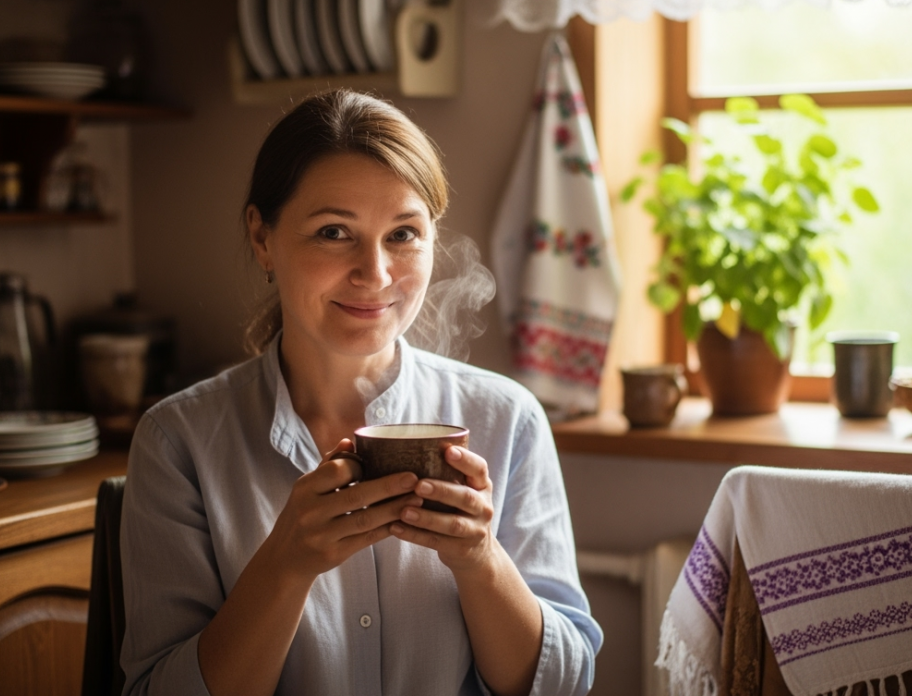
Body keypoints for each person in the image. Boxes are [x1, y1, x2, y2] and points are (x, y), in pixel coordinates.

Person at [120, 89, 602, 696]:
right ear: (262, 238)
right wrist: (286, 565)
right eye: (332, 232)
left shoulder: (507, 420)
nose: (375, 274)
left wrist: (481, 560)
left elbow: (564, 685)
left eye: (403, 233)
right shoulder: (178, 443)